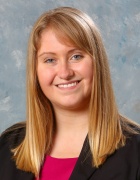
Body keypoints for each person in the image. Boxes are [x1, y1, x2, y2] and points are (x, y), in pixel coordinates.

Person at [0, 6, 140, 180]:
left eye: (76, 56)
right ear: (35, 71)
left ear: (98, 62)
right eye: (50, 60)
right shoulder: (8, 146)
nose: (65, 73)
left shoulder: (135, 152)